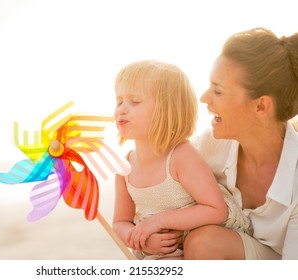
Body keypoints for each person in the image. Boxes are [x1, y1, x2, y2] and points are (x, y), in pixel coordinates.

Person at [147, 27, 298, 260]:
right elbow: (159, 169)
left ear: (261, 107)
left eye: (218, 90)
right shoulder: (209, 147)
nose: (204, 97)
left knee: (204, 243)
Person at [112, 60, 253, 260]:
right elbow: (120, 222)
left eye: (135, 101)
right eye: (119, 101)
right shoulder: (124, 168)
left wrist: (158, 221)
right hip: (164, 252)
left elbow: (216, 210)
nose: (122, 109)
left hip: (208, 243)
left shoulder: (181, 156)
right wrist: (142, 239)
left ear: (166, 110)